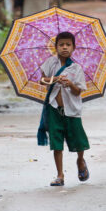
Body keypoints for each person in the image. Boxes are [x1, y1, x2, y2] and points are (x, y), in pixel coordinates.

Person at [37, 31, 90, 187]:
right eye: (61, 45)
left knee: (78, 141)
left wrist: (70, 84)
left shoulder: (76, 68)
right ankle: (60, 175)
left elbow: (78, 91)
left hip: (72, 110)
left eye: (68, 45)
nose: (65, 47)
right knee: (56, 142)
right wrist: (55, 79)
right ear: (56, 47)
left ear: (73, 48)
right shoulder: (50, 63)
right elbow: (42, 80)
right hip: (54, 109)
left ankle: (80, 161)